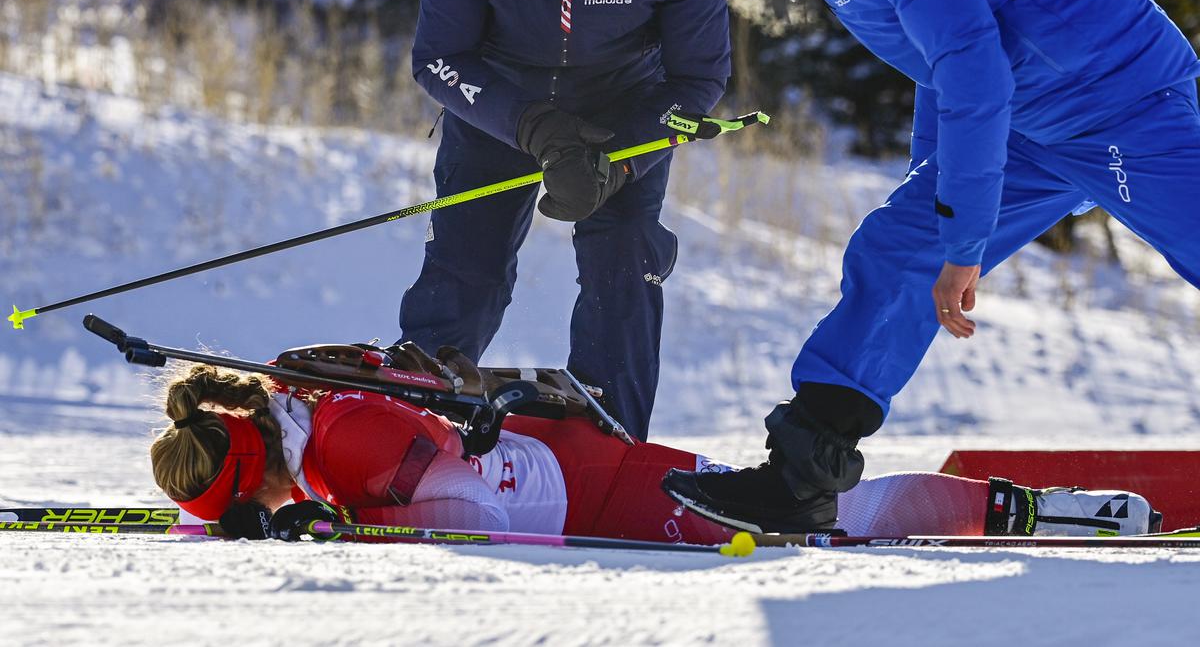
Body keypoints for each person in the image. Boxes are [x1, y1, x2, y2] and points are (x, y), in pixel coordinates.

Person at [659, 0, 1200, 533]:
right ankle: (799, 481)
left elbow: (972, 67)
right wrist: (938, 207)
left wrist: (965, 243)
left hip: (1120, 100)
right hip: (1023, 122)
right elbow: (938, 63)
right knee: (895, 251)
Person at [399, 0, 731, 441]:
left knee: (625, 251)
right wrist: (533, 127)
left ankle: (610, 437)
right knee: (466, 264)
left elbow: (698, 77)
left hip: (624, 113)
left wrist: (623, 165)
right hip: (498, 102)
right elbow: (437, 56)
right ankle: (417, 420)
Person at [148, 363, 1159, 543]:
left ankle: (1064, 508)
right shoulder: (291, 428)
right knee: (814, 523)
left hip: (600, 489)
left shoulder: (346, 437)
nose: (266, 515)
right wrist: (309, 513)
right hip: (564, 472)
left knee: (820, 524)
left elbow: (478, 519)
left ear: (256, 458)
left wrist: (345, 520)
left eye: (252, 504)